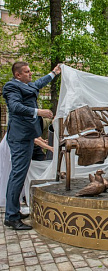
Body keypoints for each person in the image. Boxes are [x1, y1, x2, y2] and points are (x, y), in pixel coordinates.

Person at [2, 61, 61, 230]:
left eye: (30, 71)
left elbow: (37, 84)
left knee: (19, 174)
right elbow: (14, 106)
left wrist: (54, 73)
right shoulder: (11, 87)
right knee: (18, 175)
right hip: (19, 137)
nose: (30, 74)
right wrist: (38, 112)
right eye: (27, 72)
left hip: (26, 135)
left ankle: (14, 211)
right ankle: (11, 217)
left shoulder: (25, 85)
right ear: (17, 74)